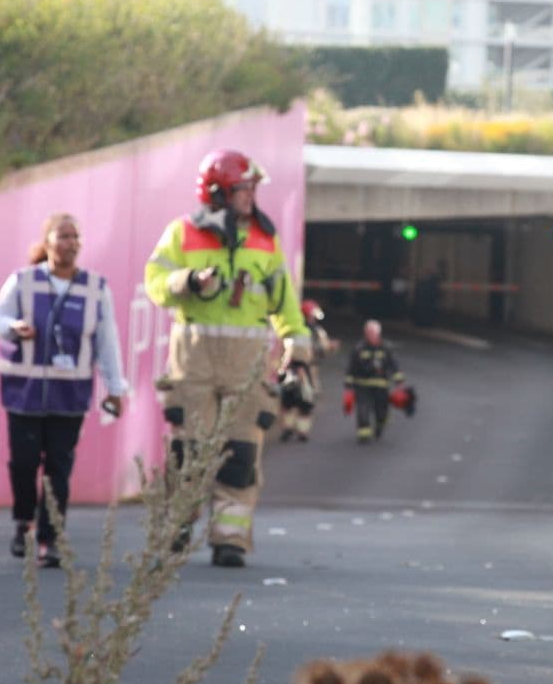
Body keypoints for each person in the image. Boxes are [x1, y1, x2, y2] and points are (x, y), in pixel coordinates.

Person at [145, 148, 311, 568]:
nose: (251, 196)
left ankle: (230, 540)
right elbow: (156, 283)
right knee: (188, 451)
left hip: (248, 365)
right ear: (218, 191)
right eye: (243, 188)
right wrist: (188, 281)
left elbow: (285, 302)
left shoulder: (265, 239)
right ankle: (176, 530)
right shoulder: (182, 233)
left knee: (240, 454)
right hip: (194, 361)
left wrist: (297, 345)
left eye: (253, 189)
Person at [0, 213, 128, 568]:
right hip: (25, 391)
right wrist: (13, 327)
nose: (71, 243)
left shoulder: (95, 288)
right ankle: (24, 521)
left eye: (75, 236)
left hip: (70, 395)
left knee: (58, 469)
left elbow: (106, 341)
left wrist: (115, 387)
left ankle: (50, 539)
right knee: (24, 463)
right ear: (47, 242)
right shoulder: (23, 281)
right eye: (63, 236)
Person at [278, 299, 339, 443]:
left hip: (293, 370)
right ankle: (300, 430)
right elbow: (320, 349)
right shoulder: (313, 332)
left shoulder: (293, 329)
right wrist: (330, 347)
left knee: (291, 401)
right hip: (307, 371)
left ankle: (291, 428)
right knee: (304, 401)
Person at [343, 319, 404, 443]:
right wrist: (348, 385)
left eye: (372, 333)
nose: (370, 335)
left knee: (382, 412)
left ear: (378, 333)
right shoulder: (359, 348)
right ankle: (364, 434)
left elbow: (394, 365)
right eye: (368, 333)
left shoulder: (386, 348)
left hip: (381, 386)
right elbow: (351, 367)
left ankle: (379, 426)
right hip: (362, 385)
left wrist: (399, 382)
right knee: (363, 410)